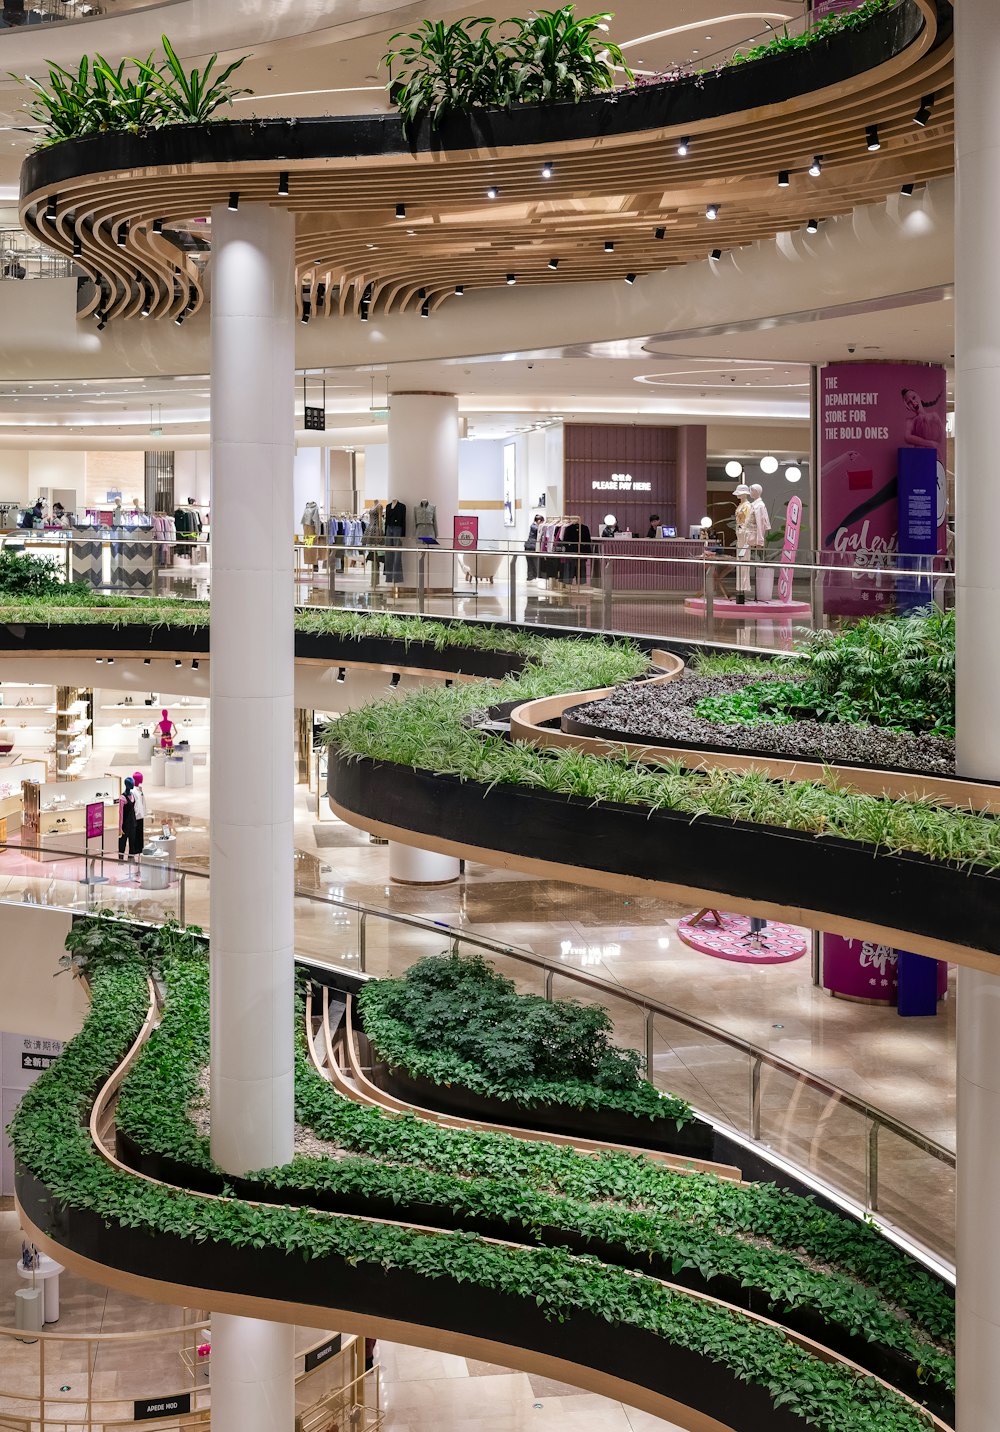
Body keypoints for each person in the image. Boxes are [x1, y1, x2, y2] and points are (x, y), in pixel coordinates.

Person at [118, 777, 139, 863]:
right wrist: (120, 828)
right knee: (122, 844)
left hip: (133, 823)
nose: (133, 785)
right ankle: (120, 862)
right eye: (132, 784)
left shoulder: (133, 795)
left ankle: (131, 862)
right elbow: (120, 814)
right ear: (127, 785)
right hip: (125, 825)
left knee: (132, 844)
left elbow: (134, 809)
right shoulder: (122, 798)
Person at [524, 513, 544, 579]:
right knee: (533, 563)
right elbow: (538, 530)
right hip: (531, 547)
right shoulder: (534, 526)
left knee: (531, 563)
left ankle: (531, 577)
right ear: (538, 521)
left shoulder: (533, 526)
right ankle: (533, 576)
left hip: (529, 546)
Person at [131, 772, 146, 852]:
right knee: (136, 833)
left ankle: (140, 848)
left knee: (140, 833)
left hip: (140, 815)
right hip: (137, 815)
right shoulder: (133, 791)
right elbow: (136, 804)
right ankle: (136, 849)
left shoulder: (139, 789)